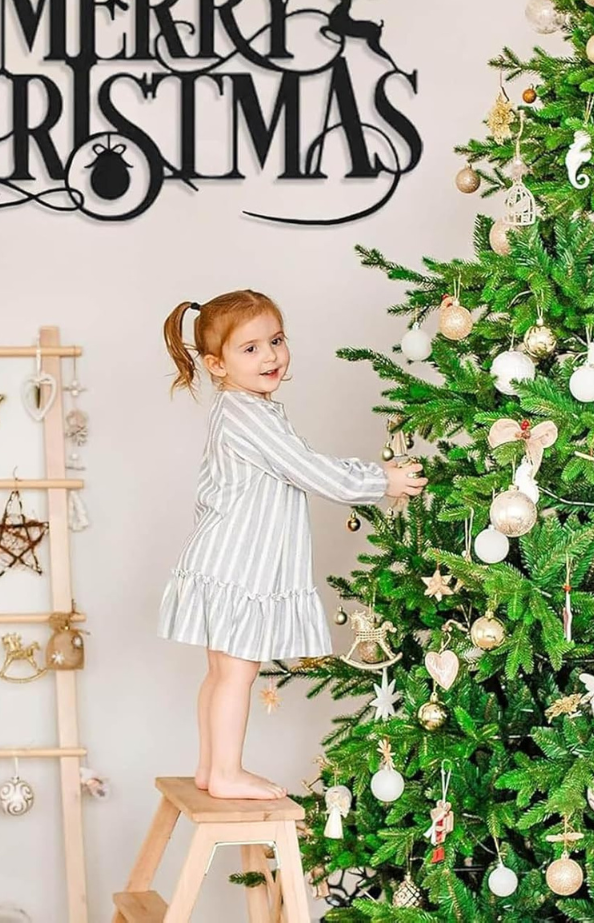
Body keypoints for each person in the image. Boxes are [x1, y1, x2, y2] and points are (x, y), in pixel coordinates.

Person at [158, 290, 427, 800]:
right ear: (216, 364)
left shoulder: (238, 409)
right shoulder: (248, 416)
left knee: (221, 674)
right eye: (251, 349)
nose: (271, 356)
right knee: (235, 674)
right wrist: (381, 480)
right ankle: (226, 772)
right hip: (240, 567)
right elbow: (308, 469)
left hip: (223, 557)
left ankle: (210, 767)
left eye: (276, 341)